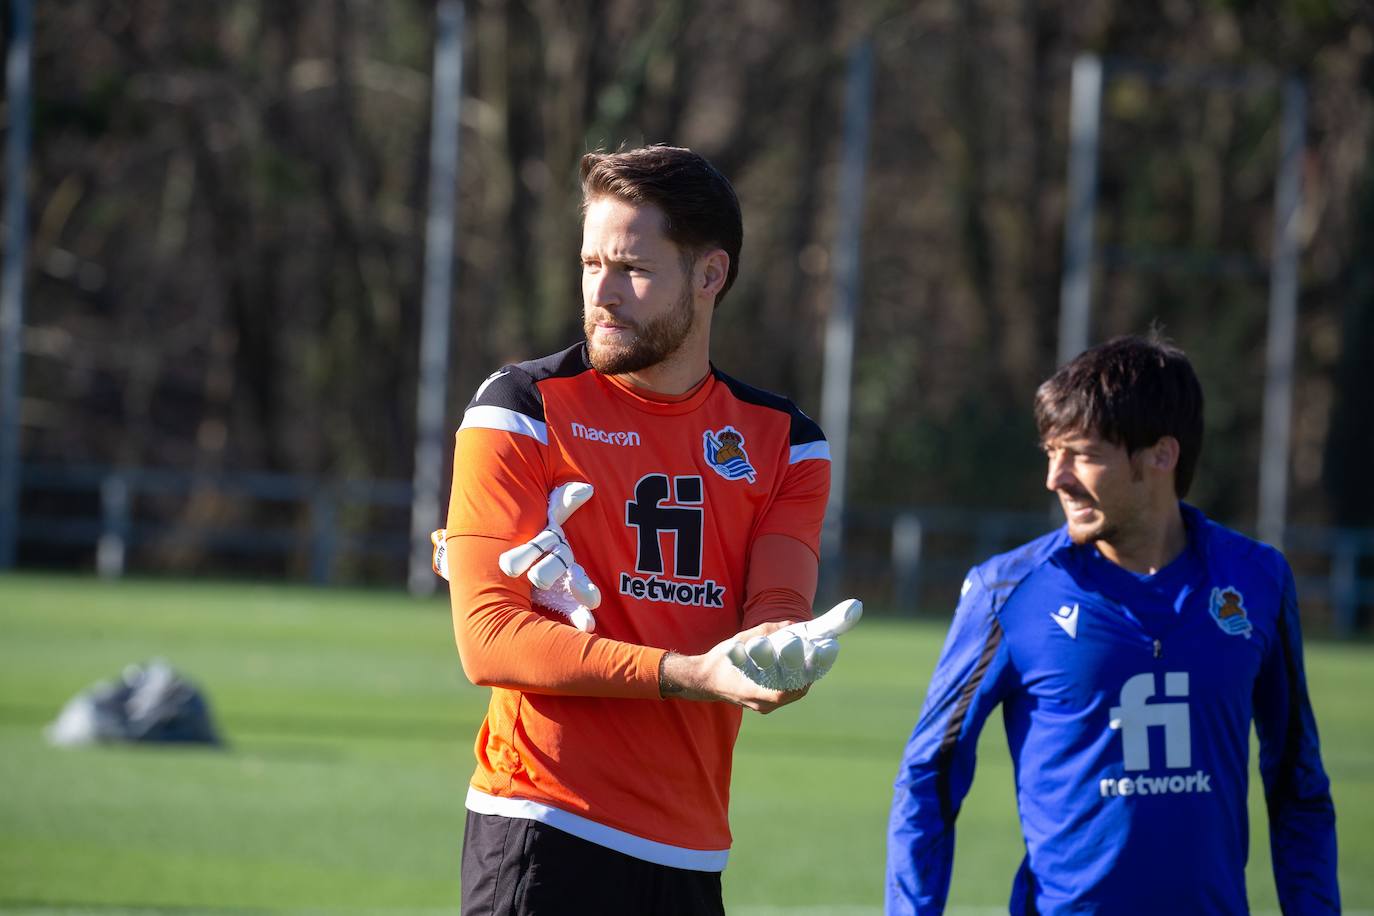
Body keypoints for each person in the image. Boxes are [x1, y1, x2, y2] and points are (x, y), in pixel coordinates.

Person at [442, 145, 833, 916]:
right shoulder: (521, 406)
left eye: (633, 269)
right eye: (591, 265)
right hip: (541, 825)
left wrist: (785, 659)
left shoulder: (787, 441)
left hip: (692, 848)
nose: (603, 294)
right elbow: (487, 641)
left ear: (710, 275)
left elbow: (772, 621)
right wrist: (692, 674)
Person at [886, 335, 1339, 915]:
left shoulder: (1258, 582)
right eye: (1051, 451)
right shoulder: (1008, 592)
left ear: (1161, 455)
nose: (1056, 477)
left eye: (1083, 454)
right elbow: (929, 776)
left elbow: (1298, 785)